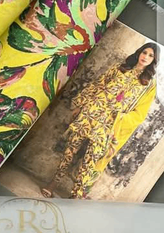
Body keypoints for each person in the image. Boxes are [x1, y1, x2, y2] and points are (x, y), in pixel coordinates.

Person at [41, 43, 160, 199]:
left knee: (91, 160)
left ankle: (75, 195)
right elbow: (98, 85)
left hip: (109, 123)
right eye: (145, 52)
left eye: (151, 56)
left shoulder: (148, 84)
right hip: (92, 112)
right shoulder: (121, 68)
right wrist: (80, 104)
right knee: (71, 148)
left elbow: (140, 114)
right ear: (139, 53)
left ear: (154, 60)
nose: (146, 57)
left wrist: (120, 118)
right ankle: (53, 183)